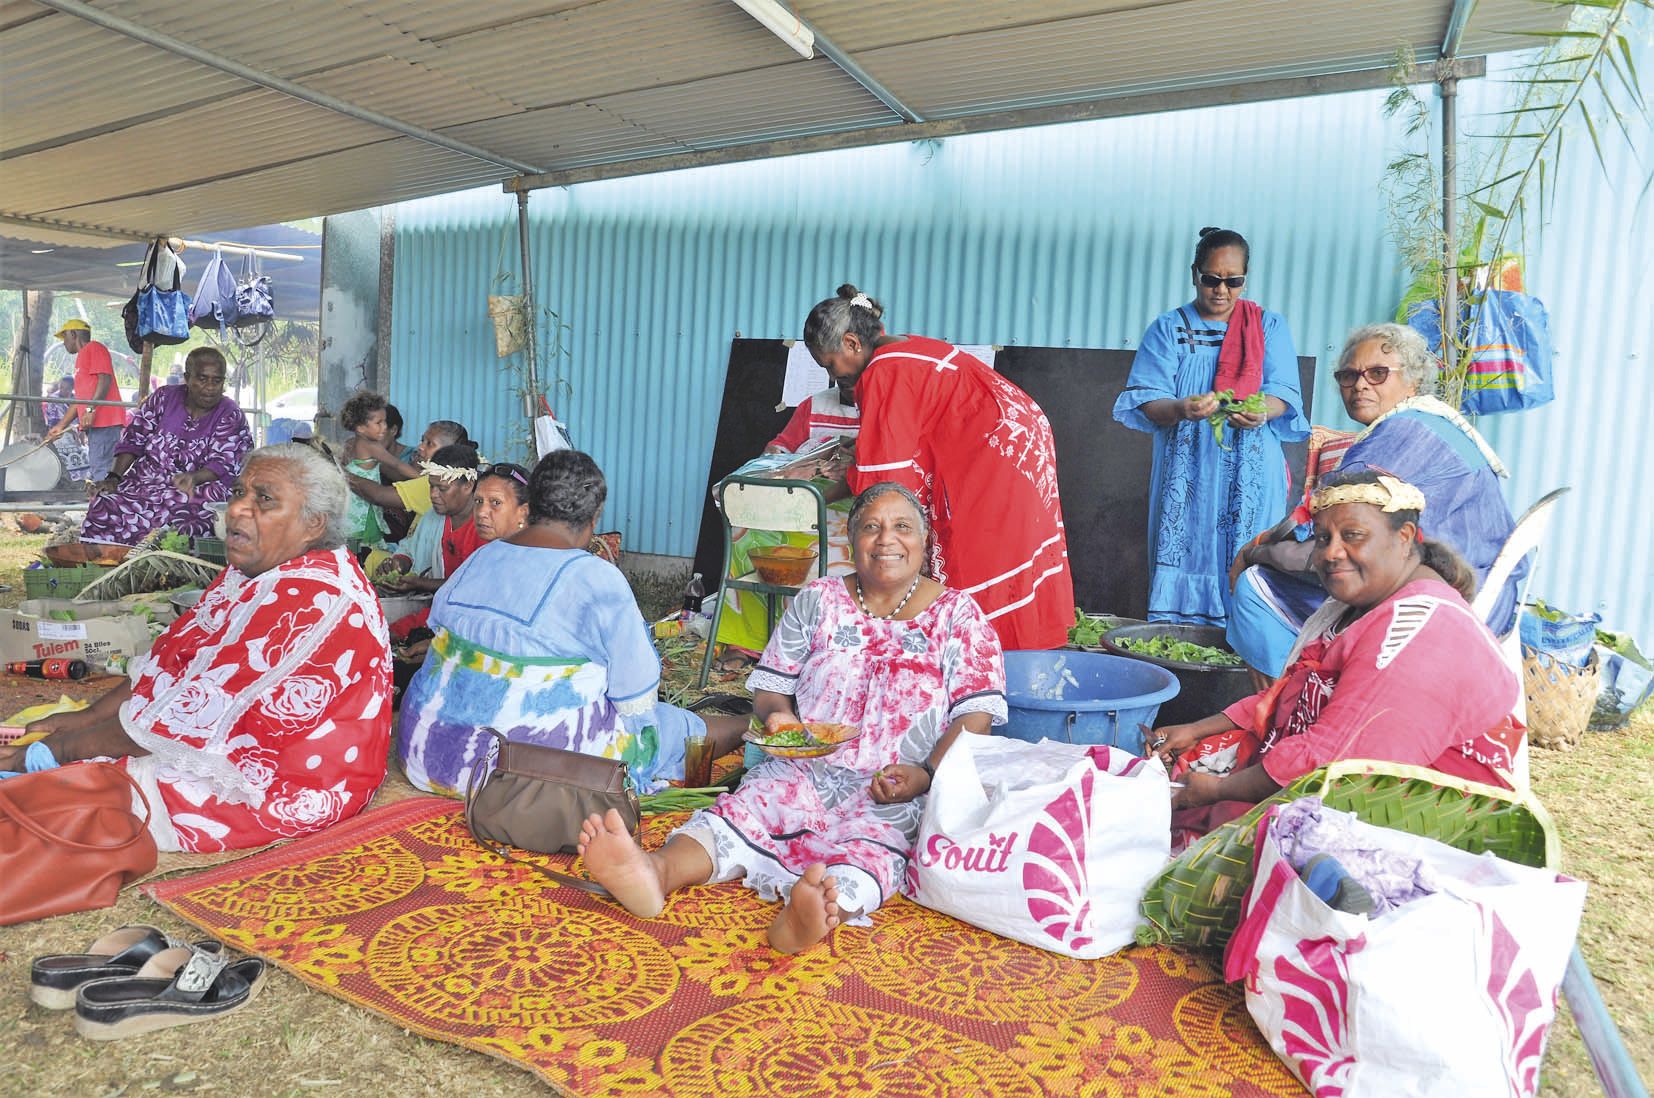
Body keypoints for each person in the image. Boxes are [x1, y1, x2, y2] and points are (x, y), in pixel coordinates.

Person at [579, 481, 1007, 953]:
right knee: (744, 807)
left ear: (924, 541)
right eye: (871, 528)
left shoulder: (957, 617)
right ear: (853, 540)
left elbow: (976, 713)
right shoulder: (819, 600)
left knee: (877, 846)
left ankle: (812, 915)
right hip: (806, 767)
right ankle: (656, 871)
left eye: (902, 527)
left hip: (896, 785)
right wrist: (780, 719)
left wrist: (925, 774)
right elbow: (771, 688)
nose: (886, 540)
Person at [0, 444, 393, 852]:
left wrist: (57, 751)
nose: (239, 509)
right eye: (239, 492)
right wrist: (86, 717)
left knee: (76, 798)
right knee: (74, 769)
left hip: (283, 781)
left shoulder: (312, 596)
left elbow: (183, 716)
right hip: (224, 743)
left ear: (314, 524)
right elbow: (173, 664)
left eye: (264, 500)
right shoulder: (256, 571)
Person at [1150, 470, 1521, 839]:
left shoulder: (1419, 632)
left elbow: (1337, 762)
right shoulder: (1363, 605)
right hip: (1334, 792)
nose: (1331, 552)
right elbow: (1294, 693)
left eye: (1353, 535)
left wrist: (1213, 792)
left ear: (1404, 537)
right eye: (1323, 538)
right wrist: (1196, 730)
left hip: (1413, 828)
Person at [396, 450, 748, 798]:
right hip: (521, 774)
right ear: (594, 518)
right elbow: (636, 690)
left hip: (428, 752)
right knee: (674, 726)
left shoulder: (483, 557)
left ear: (530, 508)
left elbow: (441, 627)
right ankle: (751, 725)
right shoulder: (596, 577)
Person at [1227, 323, 1522, 677]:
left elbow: (1321, 556)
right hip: (1487, 595)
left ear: (1412, 379)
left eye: (1378, 373)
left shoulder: (1398, 437)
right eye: (1348, 376)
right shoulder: (1433, 423)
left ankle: (1287, 715)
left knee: (1256, 589)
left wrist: (1253, 554)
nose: (1360, 385)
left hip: (1443, 607)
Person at [807, 284, 1075, 651]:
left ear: (852, 343)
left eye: (830, 365)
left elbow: (885, 482)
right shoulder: (905, 346)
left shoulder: (884, 371)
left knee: (979, 555)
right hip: (1018, 437)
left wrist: (819, 493)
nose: (834, 377)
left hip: (993, 455)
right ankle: (1007, 658)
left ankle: (977, 660)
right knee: (1009, 548)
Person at [1113, 228, 1309, 626]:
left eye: (1233, 281)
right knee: (1187, 547)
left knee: (1249, 551)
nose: (1222, 290)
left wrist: (1261, 412)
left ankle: (1248, 645)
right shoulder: (1170, 329)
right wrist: (1182, 408)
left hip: (1251, 470)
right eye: (1211, 279)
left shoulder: (1267, 326)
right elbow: (1148, 401)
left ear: (1245, 279)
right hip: (1188, 471)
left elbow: (1283, 393)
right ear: (1194, 274)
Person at [711, 378, 864, 673]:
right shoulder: (815, 405)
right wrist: (778, 460)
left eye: (850, 373)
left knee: (837, 542)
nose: (843, 379)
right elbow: (780, 445)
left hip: (849, 507)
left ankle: (822, 648)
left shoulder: (883, 408)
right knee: (744, 533)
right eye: (833, 370)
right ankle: (747, 642)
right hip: (799, 499)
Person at [78, 347, 253, 546]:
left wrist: (193, 478)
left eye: (217, 380)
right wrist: (114, 477)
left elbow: (224, 463)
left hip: (200, 487)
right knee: (104, 502)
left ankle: (158, 564)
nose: (210, 387)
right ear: (187, 378)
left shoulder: (230, 413)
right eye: (202, 379)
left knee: (171, 511)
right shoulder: (163, 398)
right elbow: (134, 439)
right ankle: (108, 564)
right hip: (146, 481)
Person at [43, 319, 128, 483]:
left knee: (102, 472)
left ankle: (105, 506)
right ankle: (104, 505)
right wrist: (60, 426)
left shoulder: (94, 348)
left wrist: (90, 410)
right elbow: (79, 400)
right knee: (99, 469)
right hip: (97, 425)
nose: (64, 342)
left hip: (105, 422)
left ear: (73, 334)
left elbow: (105, 379)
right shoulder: (82, 358)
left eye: (65, 337)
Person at [339, 391, 394, 549]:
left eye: (385, 422)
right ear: (361, 428)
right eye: (379, 423)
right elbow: (398, 465)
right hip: (365, 515)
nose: (385, 427)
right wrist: (424, 479)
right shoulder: (372, 446)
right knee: (369, 554)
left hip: (349, 513)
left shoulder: (350, 443)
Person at [41, 376, 91, 483]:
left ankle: (82, 481)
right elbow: (55, 424)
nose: (62, 390)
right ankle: (72, 480)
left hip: (75, 434)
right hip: (59, 434)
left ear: (72, 388)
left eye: (66, 388)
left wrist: (81, 440)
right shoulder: (54, 399)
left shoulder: (76, 399)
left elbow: (80, 423)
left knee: (85, 451)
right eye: (61, 387)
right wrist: (73, 433)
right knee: (70, 450)